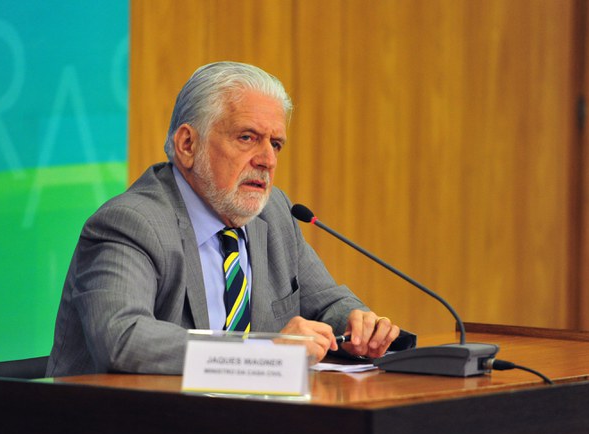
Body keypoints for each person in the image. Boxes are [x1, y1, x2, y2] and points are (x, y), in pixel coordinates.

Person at [46, 61, 400, 377]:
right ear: (187, 144)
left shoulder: (273, 213)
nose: (267, 160)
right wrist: (264, 352)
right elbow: (122, 339)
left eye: (275, 144)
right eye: (247, 138)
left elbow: (328, 303)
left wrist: (360, 325)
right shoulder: (131, 223)